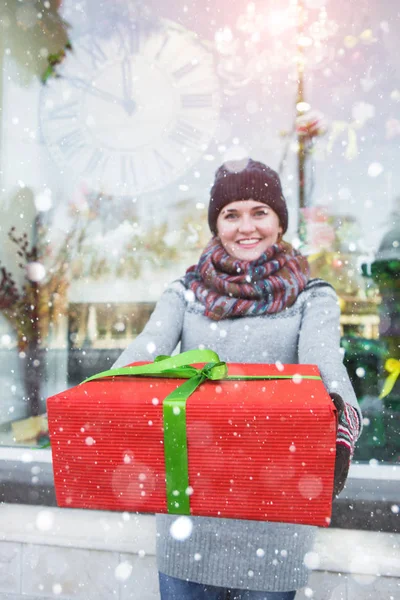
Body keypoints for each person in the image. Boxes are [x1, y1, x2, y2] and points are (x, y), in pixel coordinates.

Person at [112, 159, 362, 600]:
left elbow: (325, 366)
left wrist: (341, 419)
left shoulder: (311, 296)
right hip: (188, 519)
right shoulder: (185, 293)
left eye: (259, 212)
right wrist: (103, 399)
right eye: (231, 214)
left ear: (279, 222)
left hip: (274, 521)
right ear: (216, 225)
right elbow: (145, 352)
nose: (246, 227)